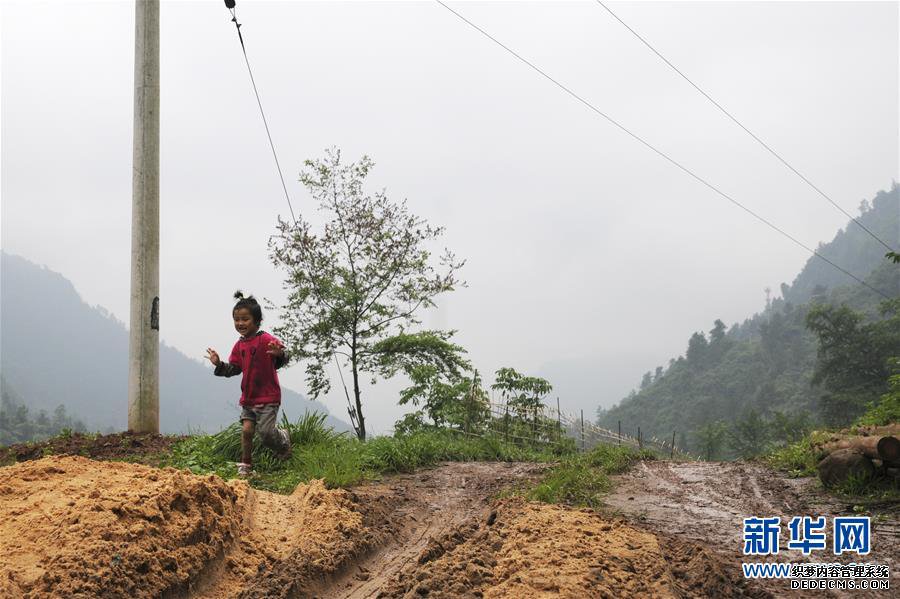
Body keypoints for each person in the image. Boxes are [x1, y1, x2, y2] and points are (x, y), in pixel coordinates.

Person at [206, 291, 291, 477]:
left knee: (266, 433)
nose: (240, 323)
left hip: (268, 397)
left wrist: (279, 354)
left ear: (257, 320)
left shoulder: (266, 339)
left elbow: (282, 357)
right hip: (249, 397)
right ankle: (246, 464)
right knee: (246, 431)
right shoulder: (239, 346)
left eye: (245, 319)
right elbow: (235, 368)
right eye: (236, 320)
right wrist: (219, 364)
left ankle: (283, 439)